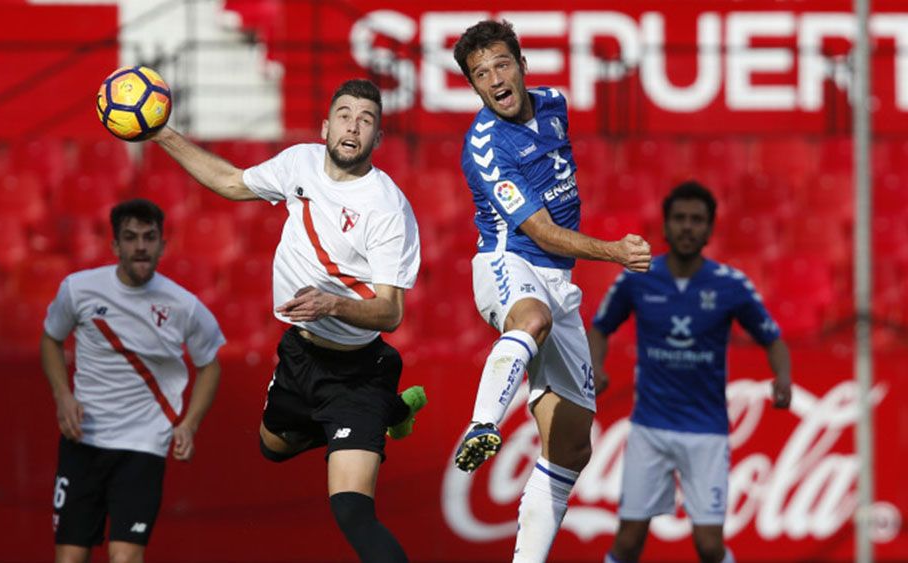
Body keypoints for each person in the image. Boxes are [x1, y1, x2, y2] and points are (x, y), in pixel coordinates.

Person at [148, 78, 425, 562]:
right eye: (344, 114)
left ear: (377, 139)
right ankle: (391, 412)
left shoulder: (386, 208)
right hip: (299, 355)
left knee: (351, 512)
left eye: (366, 120)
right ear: (325, 126)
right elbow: (233, 183)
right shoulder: (298, 163)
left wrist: (332, 304)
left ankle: (372, 412)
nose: (352, 126)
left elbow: (391, 312)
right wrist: (161, 134)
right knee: (271, 448)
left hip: (359, 372)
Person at [451, 19, 653, 562]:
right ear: (473, 88)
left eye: (500, 64)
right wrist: (614, 252)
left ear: (521, 64)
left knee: (571, 448)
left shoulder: (554, 103)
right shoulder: (485, 147)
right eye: (480, 74)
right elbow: (538, 231)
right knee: (531, 319)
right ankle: (481, 424)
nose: (494, 78)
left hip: (561, 281)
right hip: (507, 261)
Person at [589, 181, 793, 563]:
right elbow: (600, 327)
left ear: (710, 230)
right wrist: (595, 367)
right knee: (629, 541)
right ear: (665, 227)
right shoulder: (638, 277)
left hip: (706, 432)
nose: (687, 227)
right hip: (650, 428)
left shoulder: (731, 285)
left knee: (710, 546)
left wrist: (782, 376)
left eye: (697, 220)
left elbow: (773, 339)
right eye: (679, 219)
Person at [42, 198, 227, 563]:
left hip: (143, 445)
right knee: (69, 558)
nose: (140, 246)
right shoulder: (79, 290)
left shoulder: (183, 305)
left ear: (162, 244)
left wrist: (189, 424)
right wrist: (63, 396)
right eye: (130, 237)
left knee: (125, 557)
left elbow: (211, 364)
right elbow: (51, 338)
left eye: (149, 237)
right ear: (114, 245)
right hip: (83, 440)